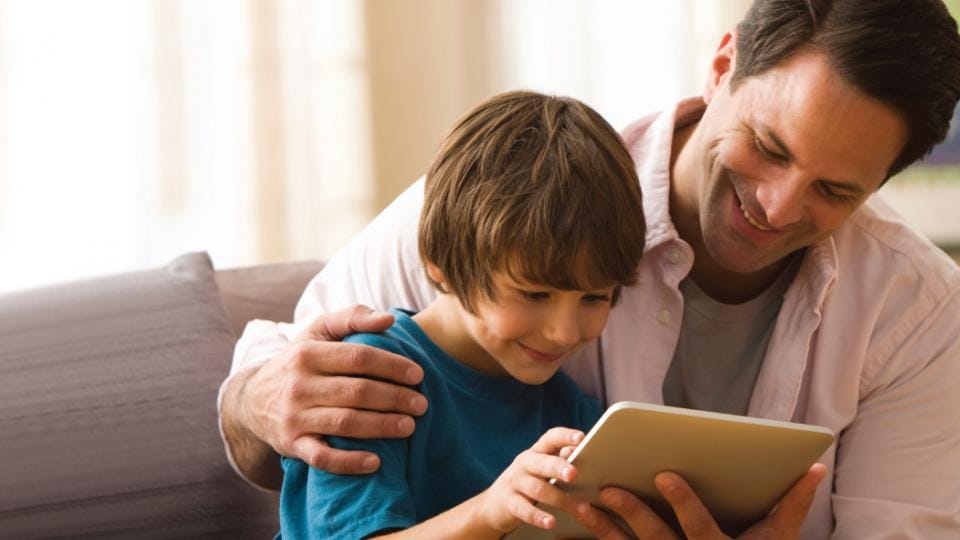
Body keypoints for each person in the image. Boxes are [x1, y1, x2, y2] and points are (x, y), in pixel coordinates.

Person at [219, 0, 960, 537]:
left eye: (836, 190)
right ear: (723, 65)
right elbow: (285, 370)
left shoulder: (920, 312)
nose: (777, 205)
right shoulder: (520, 194)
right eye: (769, 145)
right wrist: (258, 399)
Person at [276, 90, 646, 538]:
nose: (564, 333)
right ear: (441, 264)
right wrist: (490, 511)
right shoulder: (370, 379)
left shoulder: (571, 412)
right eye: (533, 294)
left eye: (594, 298)